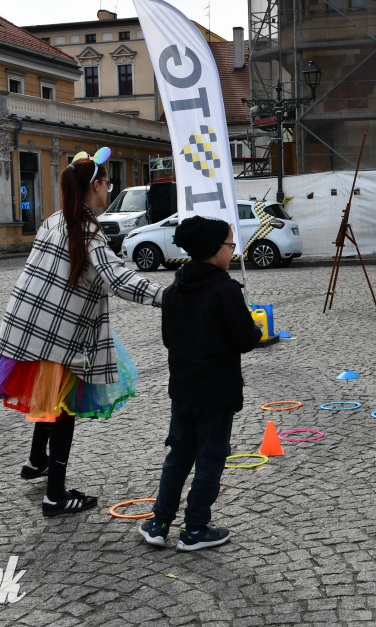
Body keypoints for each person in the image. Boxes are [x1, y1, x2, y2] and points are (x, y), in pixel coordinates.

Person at [0, 148, 164, 517]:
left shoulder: (55, 220)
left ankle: (35, 462)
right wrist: (169, 296)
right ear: (96, 185)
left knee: (50, 398)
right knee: (63, 410)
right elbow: (118, 280)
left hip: (29, 330)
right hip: (60, 336)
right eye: (107, 182)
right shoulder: (88, 230)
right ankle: (55, 496)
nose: (110, 189)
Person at [139, 216, 262, 552]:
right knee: (210, 458)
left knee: (178, 456)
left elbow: (168, 339)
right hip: (217, 392)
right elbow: (244, 338)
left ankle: (159, 523)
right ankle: (194, 529)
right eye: (229, 244)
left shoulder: (173, 291)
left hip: (183, 389)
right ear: (213, 250)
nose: (232, 250)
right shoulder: (225, 290)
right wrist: (256, 328)